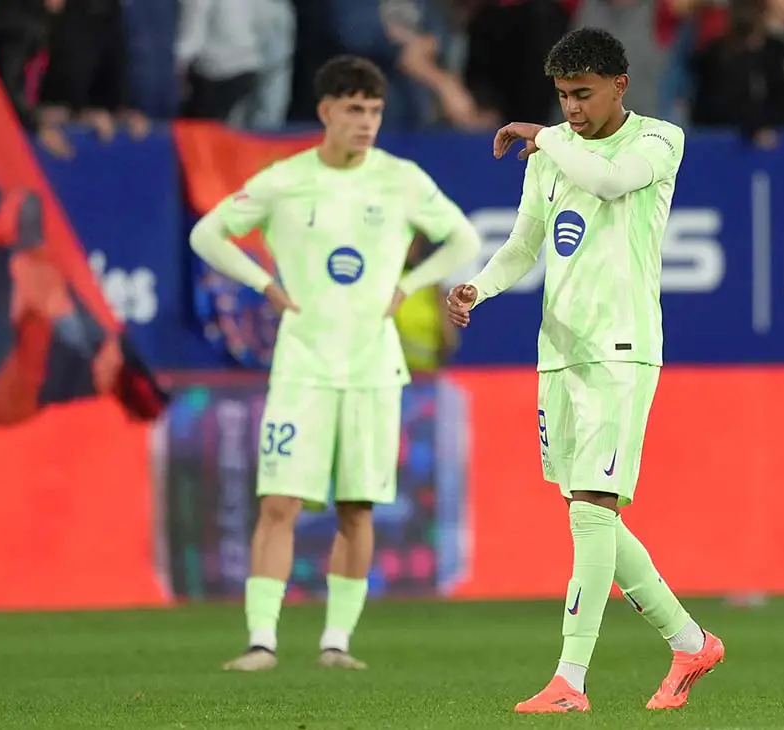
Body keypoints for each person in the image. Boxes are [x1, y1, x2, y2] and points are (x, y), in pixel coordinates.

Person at [446, 27, 724, 713]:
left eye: (583, 94)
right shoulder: (552, 153)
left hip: (623, 347)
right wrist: (477, 287)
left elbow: (607, 178)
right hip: (560, 351)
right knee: (587, 509)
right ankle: (690, 642)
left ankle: (570, 680)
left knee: (593, 509)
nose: (571, 107)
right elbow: (522, 244)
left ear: (619, 86)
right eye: (563, 96)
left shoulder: (657, 141)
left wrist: (545, 136)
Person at [189, 54, 482, 672]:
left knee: (357, 507)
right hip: (301, 366)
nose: (367, 121)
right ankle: (261, 641)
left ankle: (336, 644)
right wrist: (262, 283)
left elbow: (463, 238)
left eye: (374, 110)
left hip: (374, 369)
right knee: (279, 504)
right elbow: (208, 234)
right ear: (326, 112)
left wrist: (411, 283)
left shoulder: (400, 179)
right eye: (354, 109)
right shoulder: (286, 179)